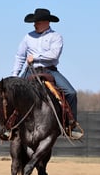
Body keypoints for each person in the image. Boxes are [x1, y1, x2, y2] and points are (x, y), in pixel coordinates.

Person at [12, 8, 82, 139]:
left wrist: (35, 57)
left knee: (71, 93)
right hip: (30, 70)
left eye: (37, 22)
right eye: (34, 22)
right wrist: (16, 75)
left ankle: (70, 125)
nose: (34, 24)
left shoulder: (56, 37)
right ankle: (11, 126)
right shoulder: (28, 37)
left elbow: (54, 55)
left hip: (49, 70)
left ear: (46, 22)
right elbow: (19, 56)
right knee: (14, 92)